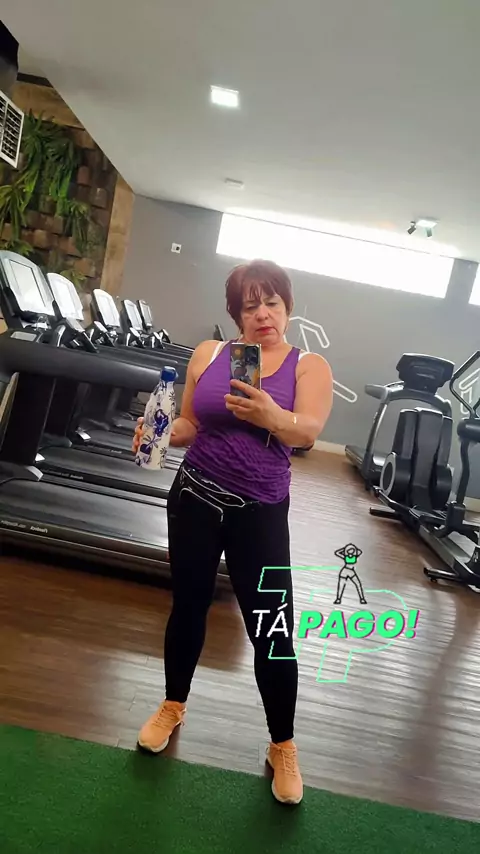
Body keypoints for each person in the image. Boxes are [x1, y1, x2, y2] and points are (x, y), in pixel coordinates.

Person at [132, 259, 333, 805]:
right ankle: (173, 705)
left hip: (259, 512)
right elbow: (191, 424)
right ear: (236, 314)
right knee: (188, 607)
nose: (262, 314)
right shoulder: (209, 353)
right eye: (250, 305)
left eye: (271, 302)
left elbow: (309, 432)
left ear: (287, 307)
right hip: (194, 497)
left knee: (272, 630)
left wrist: (272, 415)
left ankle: (282, 744)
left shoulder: (309, 366)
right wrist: (157, 433)